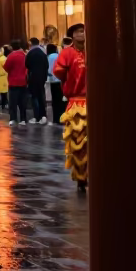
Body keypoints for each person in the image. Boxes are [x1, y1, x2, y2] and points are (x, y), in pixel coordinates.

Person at [54, 23, 87, 193]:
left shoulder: (94, 49)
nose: (82, 34)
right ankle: (81, 178)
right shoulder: (67, 53)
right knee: (78, 143)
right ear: (72, 35)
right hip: (76, 102)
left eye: (84, 31)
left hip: (94, 101)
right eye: (79, 31)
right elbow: (58, 71)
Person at [25, 37, 49, 124]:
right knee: (41, 96)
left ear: (30, 43)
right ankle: (43, 116)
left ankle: (37, 117)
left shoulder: (30, 53)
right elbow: (46, 65)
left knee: (34, 97)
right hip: (42, 77)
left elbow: (27, 65)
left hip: (33, 77)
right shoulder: (43, 52)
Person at [5, 39, 29, 126]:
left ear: (12, 47)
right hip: (23, 81)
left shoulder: (11, 56)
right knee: (23, 102)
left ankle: (13, 119)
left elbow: (6, 67)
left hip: (13, 82)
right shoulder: (25, 55)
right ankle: (23, 119)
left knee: (13, 102)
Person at [47, 43, 65, 125]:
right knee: (60, 100)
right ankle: (61, 118)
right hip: (59, 80)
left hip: (52, 80)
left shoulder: (48, 57)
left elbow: (48, 69)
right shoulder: (58, 56)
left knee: (54, 100)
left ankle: (55, 118)